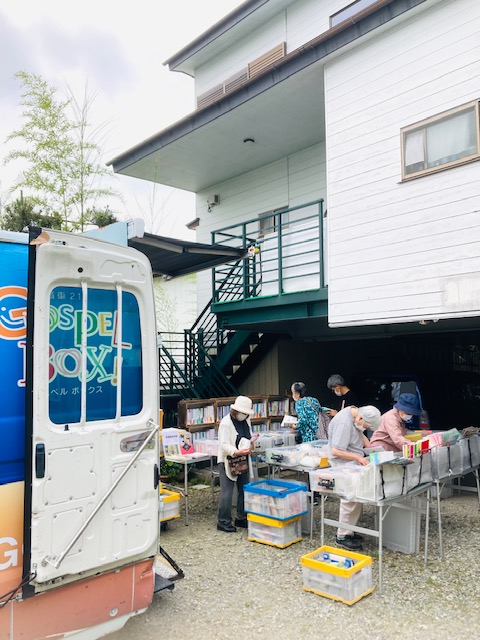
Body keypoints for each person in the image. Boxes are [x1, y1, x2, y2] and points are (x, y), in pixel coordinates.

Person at [328, 404, 381, 551]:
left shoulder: (355, 414)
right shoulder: (344, 423)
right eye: (366, 426)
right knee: (349, 499)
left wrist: (371, 448)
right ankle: (342, 536)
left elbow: (360, 433)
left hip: (352, 462)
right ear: (360, 418)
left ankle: (349, 531)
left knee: (356, 499)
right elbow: (336, 451)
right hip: (343, 464)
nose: (365, 428)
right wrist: (358, 457)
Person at [217, 395, 255, 533]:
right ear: (236, 411)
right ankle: (223, 521)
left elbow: (249, 436)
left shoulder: (246, 420)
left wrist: (251, 445)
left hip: (243, 459)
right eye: (243, 413)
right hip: (228, 460)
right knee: (227, 492)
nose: (244, 415)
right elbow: (223, 445)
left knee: (244, 489)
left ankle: (241, 517)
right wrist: (236, 452)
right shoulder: (226, 423)